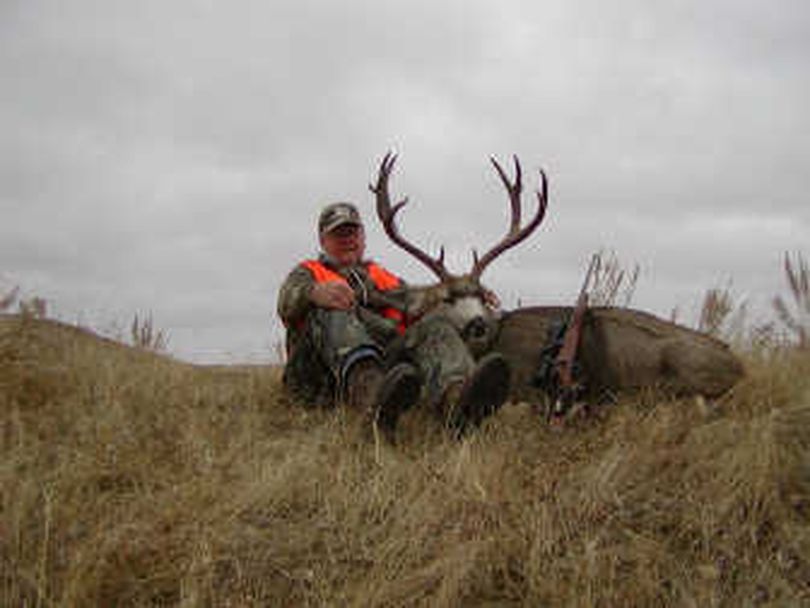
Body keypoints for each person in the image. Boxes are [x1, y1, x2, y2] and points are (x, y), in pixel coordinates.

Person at [277, 201, 510, 440]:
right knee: (335, 309)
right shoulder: (308, 272)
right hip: (318, 381)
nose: (347, 239)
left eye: (352, 232)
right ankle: (373, 404)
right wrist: (314, 293)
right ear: (323, 241)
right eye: (338, 234)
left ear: (363, 237)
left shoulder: (381, 277)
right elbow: (286, 300)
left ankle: (457, 404)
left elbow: (425, 297)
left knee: (434, 328)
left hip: (384, 375)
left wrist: (471, 290)